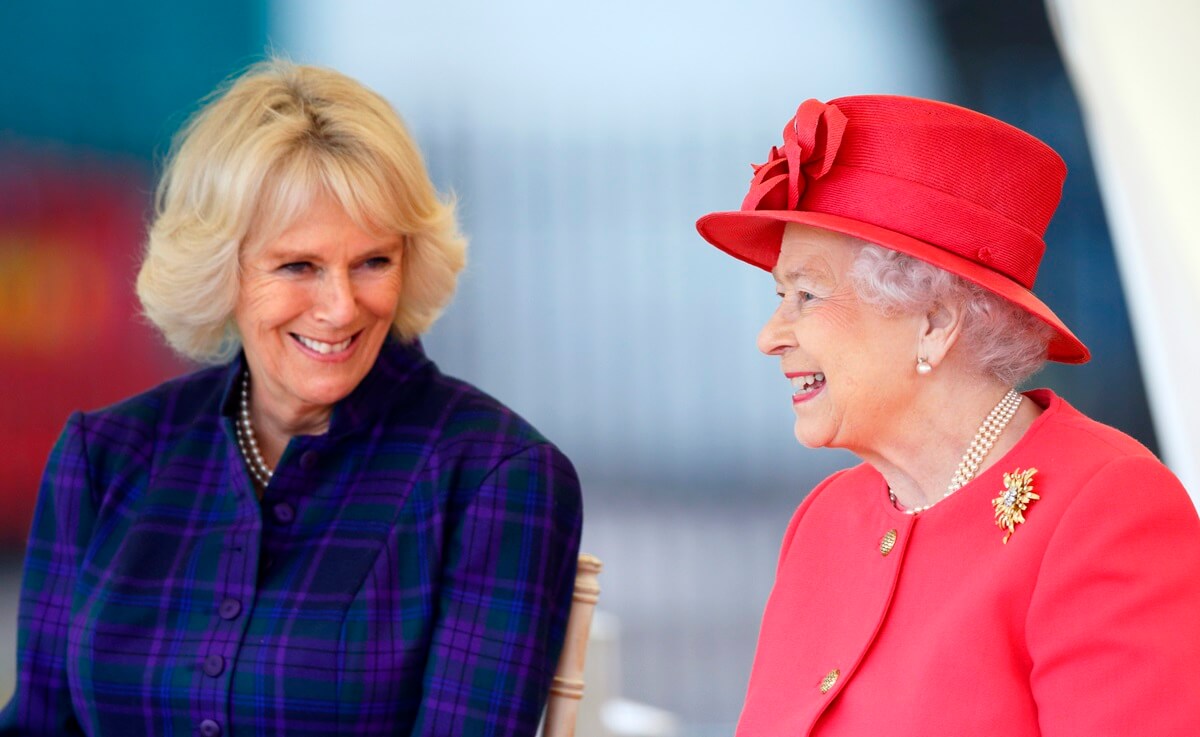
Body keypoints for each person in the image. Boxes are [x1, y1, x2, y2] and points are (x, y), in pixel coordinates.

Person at [1, 60, 582, 737]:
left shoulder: (495, 479)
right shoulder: (103, 458)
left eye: (373, 261)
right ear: (221, 270)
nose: (340, 307)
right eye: (298, 265)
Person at [695, 95, 1200, 735]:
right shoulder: (825, 520)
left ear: (933, 322)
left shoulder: (1105, 506)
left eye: (806, 295)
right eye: (779, 296)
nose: (770, 335)